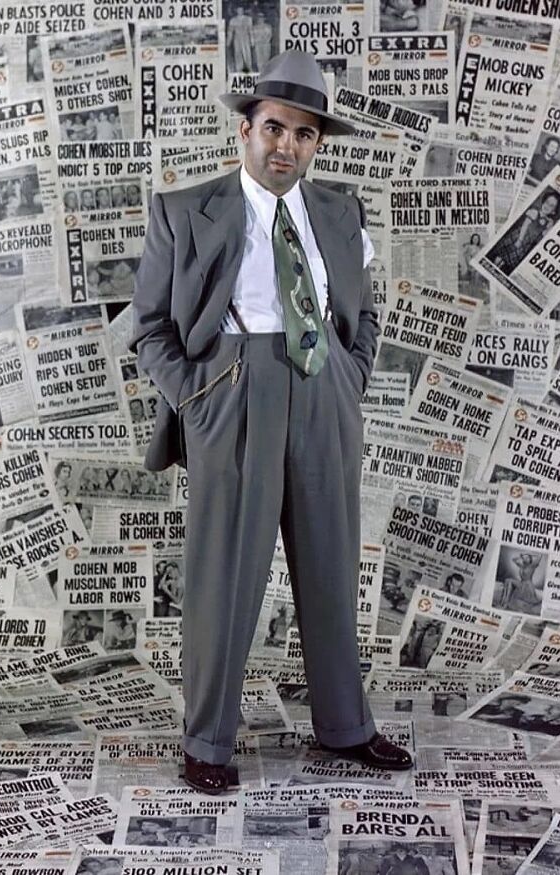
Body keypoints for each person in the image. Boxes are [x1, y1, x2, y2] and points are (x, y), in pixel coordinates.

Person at [130, 51, 412, 794]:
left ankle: (346, 727)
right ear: (246, 130)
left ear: (317, 143)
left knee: (330, 566)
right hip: (234, 391)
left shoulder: (339, 212)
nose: (287, 145)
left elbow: (366, 310)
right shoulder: (184, 210)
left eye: (305, 134)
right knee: (224, 573)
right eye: (275, 128)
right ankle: (207, 740)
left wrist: (349, 378)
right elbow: (149, 325)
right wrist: (198, 393)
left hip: (323, 392)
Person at [490, 191, 560, 276]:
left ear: (553, 211)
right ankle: (492, 267)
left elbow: (543, 236)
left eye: (551, 206)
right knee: (503, 254)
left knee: (509, 261)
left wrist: (550, 226)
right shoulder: (534, 212)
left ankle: (497, 272)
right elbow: (525, 225)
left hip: (525, 245)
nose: (547, 206)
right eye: (547, 202)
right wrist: (519, 240)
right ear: (543, 201)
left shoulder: (548, 222)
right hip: (518, 238)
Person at [227, 5, 254, 71]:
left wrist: (252, 41)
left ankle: (249, 68)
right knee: (238, 53)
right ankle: (239, 69)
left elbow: (251, 31)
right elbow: (230, 32)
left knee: (247, 53)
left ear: (243, 10)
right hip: (237, 38)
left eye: (241, 10)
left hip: (246, 38)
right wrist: (228, 42)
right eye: (238, 10)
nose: (240, 11)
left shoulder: (248, 19)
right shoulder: (233, 20)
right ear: (236, 10)